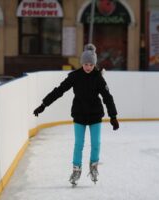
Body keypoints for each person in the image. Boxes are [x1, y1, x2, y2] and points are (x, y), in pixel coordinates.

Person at [33, 44, 119, 186]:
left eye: (91, 64)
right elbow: (59, 90)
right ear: (82, 63)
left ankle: (93, 167)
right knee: (79, 144)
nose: (88, 67)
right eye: (86, 64)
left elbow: (107, 97)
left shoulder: (98, 77)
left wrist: (113, 116)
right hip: (79, 114)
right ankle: (76, 170)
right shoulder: (75, 77)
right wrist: (44, 105)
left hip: (95, 115)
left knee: (96, 143)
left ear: (94, 64)